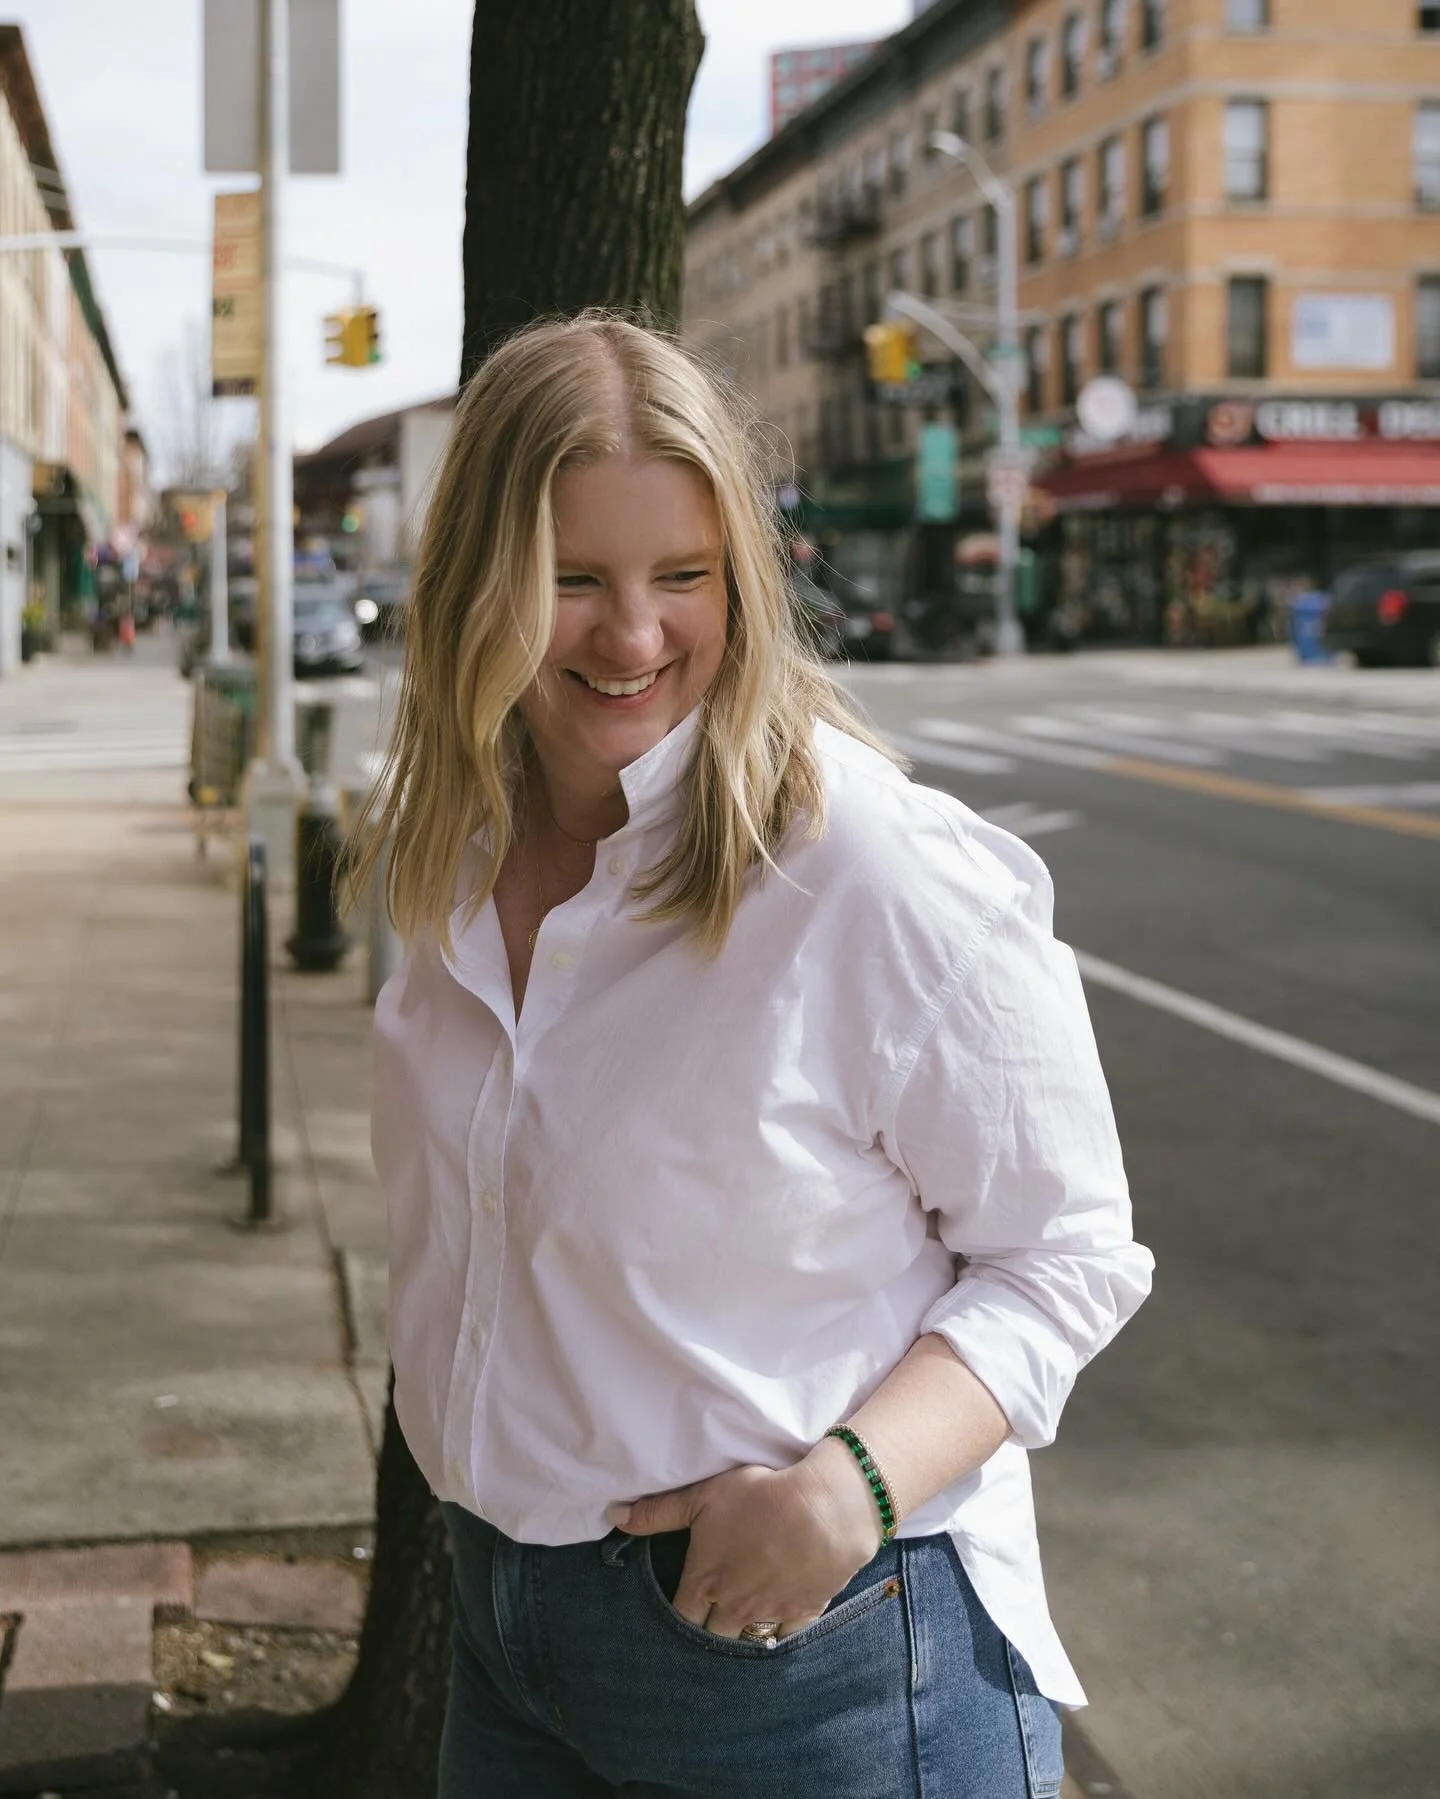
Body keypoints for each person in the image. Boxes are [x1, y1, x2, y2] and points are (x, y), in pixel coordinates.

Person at [358, 314, 1154, 1798]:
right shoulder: (448, 848)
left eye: (684, 576)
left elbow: (1069, 1253)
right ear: (479, 582)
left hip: (813, 1662)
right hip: (505, 1625)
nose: (636, 635)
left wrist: (845, 1489)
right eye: (573, 580)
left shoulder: (861, 869)